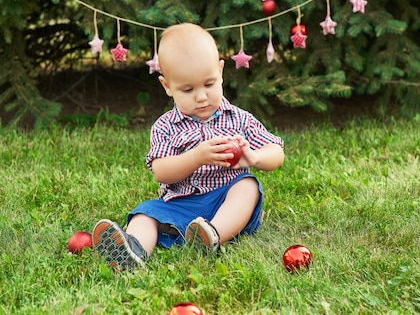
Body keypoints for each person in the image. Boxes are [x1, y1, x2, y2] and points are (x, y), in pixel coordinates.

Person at [92, 23, 285, 271]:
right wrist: (195, 157)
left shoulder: (238, 119)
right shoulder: (165, 127)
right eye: (188, 89)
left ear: (221, 71)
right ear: (167, 86)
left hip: (226, 204)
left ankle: (213, 234)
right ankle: (134, 250)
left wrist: (255, 158)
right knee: (145, 213)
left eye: (209, 84)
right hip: (180, 205)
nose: (202, 96)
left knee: (247, 185)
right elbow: (161, 171)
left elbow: (277, 153)